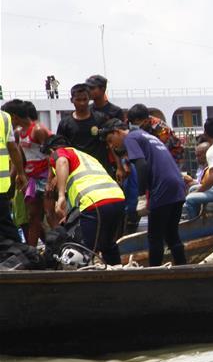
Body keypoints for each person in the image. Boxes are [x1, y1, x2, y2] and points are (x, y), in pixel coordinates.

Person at [103, 119, 187, 266]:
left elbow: (141, 165)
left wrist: (141, 195)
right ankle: (184, 269)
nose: (112, 146)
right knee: (172, 235)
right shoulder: (146, 135)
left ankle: (153, 275)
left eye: (111, 140)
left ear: (117, 132)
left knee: (155, 237)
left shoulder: (130, 138)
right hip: (177, 185)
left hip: (162, 187)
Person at [45, 136, 125, 265]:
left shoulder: (60, 152)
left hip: (95, 202)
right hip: (117, 198)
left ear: (51, 151)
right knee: (108, 245)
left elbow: (62, 162)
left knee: (85, 249)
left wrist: (60, 196)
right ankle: (117, 277)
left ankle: (86, 282)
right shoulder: (87, 157)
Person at [1, 99, 54, 246]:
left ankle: (59, 248)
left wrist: (51, 180)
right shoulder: (19, 133)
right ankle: (32, 252)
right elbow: (20, 156)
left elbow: (53, 155)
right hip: (32, 178)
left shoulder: (38, 130)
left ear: (14, 117)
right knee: (33, 217)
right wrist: (19, 174)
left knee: (50, 216)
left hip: (45, 177)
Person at [55, 83, 110, 172]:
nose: (82, 103)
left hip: (100, 168)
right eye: (78, 100)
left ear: (89, 99)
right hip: (77, 170)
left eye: (85, 99)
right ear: (72, 100)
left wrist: (119, 166)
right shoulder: (64, 123)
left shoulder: (101, 119)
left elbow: (110, 142)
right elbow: (60, 149)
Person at [0, 108, 27, 243]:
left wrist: (21, 173)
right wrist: (21, 173)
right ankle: (20, 253)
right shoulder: (4, 118)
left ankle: (19, 253)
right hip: (2, 184)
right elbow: (12, 148)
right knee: (5, 223)